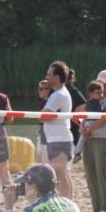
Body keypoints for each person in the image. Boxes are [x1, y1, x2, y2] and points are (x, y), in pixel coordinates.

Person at [2, 164, 83, 212]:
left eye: (24, 185)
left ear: (33, 187)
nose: (23, 188)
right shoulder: (71, 204)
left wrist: (9, 207)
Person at [79, 75, 106, 212]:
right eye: (100, 82)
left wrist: (88, 129)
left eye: (105, 83)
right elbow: (84, 115)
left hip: (102, 139)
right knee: (90, 173)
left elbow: (105, 119)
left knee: (103, 172)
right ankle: (96, 207)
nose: (102, 85)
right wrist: (82, 128)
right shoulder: (92, 99)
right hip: (89, 138)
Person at [42, 60, 75, 198]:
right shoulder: (57, 93)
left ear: (57, 77)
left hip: (59, 139)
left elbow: (43, 117)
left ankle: (67, 204)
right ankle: (69, 204)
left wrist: (43, 113)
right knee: (63, 174)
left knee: (59, 175)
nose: (46, 77)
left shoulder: (59, 95)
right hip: (59, 138)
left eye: (49, 74)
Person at [65, 69, 87, 149]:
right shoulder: (65, 89)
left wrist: (74, 115)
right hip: (66, 129)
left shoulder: (72, 90)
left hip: (72, 129)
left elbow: (85, 106)